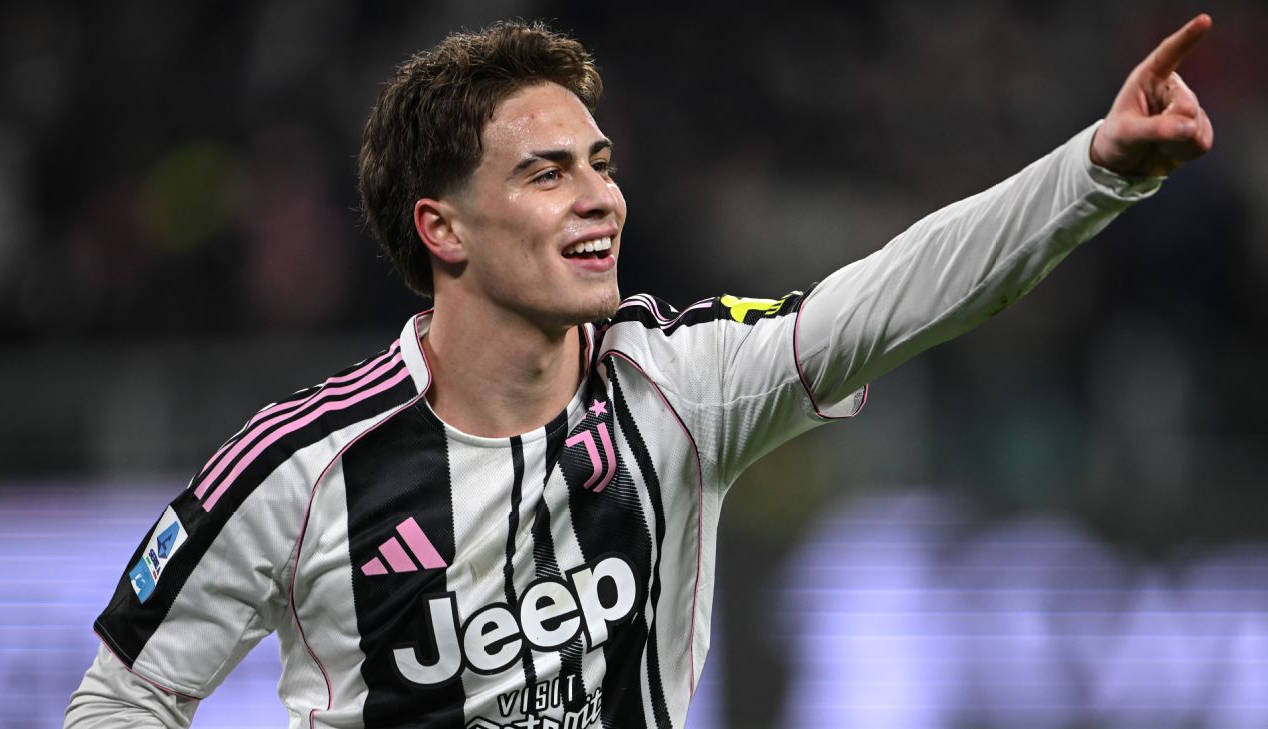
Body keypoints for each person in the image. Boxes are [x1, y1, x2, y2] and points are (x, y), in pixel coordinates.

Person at [65, 14, 1214, 729]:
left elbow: (905, 294)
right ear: (443, 228)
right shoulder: (300, 468)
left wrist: (1096, 169)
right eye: (547, 173)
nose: (600, 199)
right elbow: (126, 696)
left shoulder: (680, 386)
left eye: (601, 165)